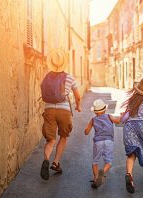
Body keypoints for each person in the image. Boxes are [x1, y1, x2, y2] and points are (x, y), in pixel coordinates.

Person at [40, 48, 81, 180]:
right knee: (63, 136)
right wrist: (78, 106)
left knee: (50, 139)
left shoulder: (46, 76)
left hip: (49, 109)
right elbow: (77, 96)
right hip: (64, 110)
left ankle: (46, 159)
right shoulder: (69, 78)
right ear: (64, 63)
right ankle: (56, 162)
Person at [120, 77, 143, 194]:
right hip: (141, 126)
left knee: (131, 153)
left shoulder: (131, 101)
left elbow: (126, 113)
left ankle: (129, 175)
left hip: (129, 126)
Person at [84, 99, 120, 188]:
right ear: (104, 109)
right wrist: (121, 116)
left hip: (98, 142)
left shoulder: (93, 119)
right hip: (109, 141)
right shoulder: (109, 116)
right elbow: (118, 121)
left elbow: (86, 132)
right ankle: (103, 172)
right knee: (108, 161)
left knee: (95, 161)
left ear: (95, 112)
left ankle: (96, 178)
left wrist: (88, 128)